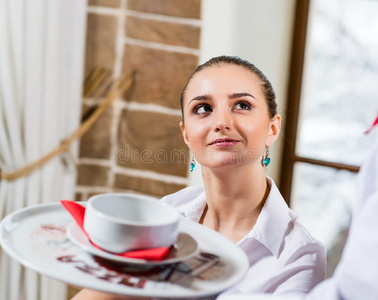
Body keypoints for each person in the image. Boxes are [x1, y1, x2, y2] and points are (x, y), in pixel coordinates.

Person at [72, 56, 326, 300]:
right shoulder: (169, 213)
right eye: (203, 108)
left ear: (273, 128)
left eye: (242, 105)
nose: (221, 122)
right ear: (186, 134)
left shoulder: (300, 255)